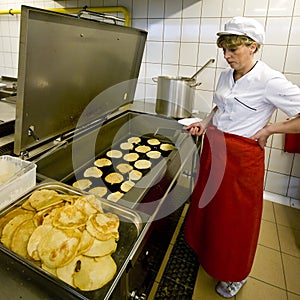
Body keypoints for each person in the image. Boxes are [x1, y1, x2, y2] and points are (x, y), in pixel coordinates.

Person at [184, 16, 300, 298]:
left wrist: (272, 128)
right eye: (224, 49)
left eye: (233, 50)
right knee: (210, 208)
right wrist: (205, 122)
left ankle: (237, 274)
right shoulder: (227, 74)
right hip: (215, 149)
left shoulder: (269, 80)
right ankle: (208, 253)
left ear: (253, 47)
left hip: (242, 159)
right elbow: (220, 105)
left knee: (237, 221)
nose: (226, 56)